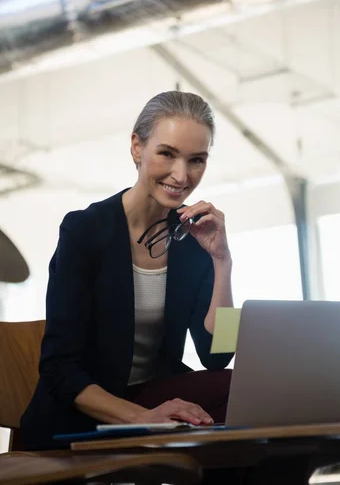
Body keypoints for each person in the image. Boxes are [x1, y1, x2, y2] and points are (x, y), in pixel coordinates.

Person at [21, 90, 235, 454]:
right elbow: (59, 369)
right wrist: (142, 417)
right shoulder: (85, 231)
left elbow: (218, 354)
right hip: (84, 413)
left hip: (155, 401)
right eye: (167, 153)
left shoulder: (193, 236)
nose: (181, 175)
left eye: (196, 160)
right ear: (137, 147)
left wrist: (222, 261)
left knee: (248, 395)